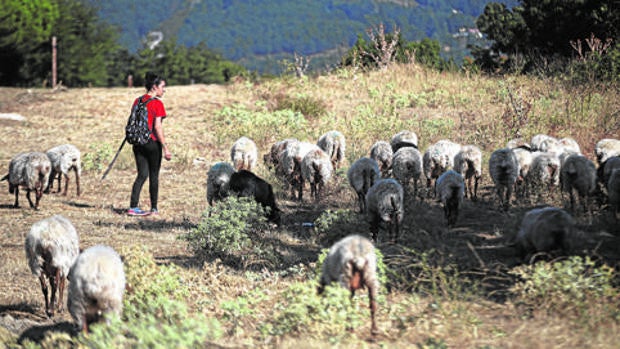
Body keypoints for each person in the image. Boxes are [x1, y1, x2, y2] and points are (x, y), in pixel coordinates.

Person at [127, 72, 172, 216]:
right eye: (162, 87)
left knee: (141, 175)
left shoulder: (137, 101)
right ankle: (154, 209)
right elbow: (157, 127)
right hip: (152, 143)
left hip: (138, 143)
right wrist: (165, 147)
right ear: (155, 87)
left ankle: (133, 207)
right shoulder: (157, 104)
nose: (164, 90)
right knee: (154, 176)